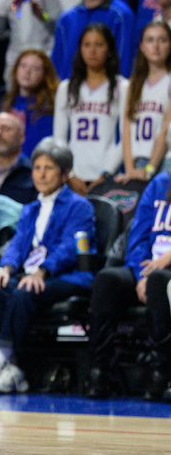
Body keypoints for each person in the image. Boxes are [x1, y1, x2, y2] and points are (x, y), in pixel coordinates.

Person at [0, 138, 96, 393]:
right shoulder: (30, 209)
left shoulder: (79, 206)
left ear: (64, 174)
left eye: (49, 168)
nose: (41, 174)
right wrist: (5, 268)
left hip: (68, 275)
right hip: (32, 274)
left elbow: (70, 248)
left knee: (25, 290)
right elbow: (17, 244)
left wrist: (43, 270)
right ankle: (10, 366)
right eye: (37, 167)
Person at [87, 168, 171, 400]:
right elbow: (139, 235)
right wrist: (140, 274)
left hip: (165, 273)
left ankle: (161, 372)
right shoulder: (160, 183)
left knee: (159, 281)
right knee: (107, 280)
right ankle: (99, 371)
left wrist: (161, 264)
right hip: (147, 268)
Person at [53, 24, 128, 189]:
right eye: (86, 45)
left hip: (106, 175)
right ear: (80, 49)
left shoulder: (122, 87)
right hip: (72, 176)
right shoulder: (66, 88)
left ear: (109, 49)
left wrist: (106, 174)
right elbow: (59, 139)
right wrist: (70, 174)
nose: (92, 50)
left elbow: (126, 138)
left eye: (98, 44)